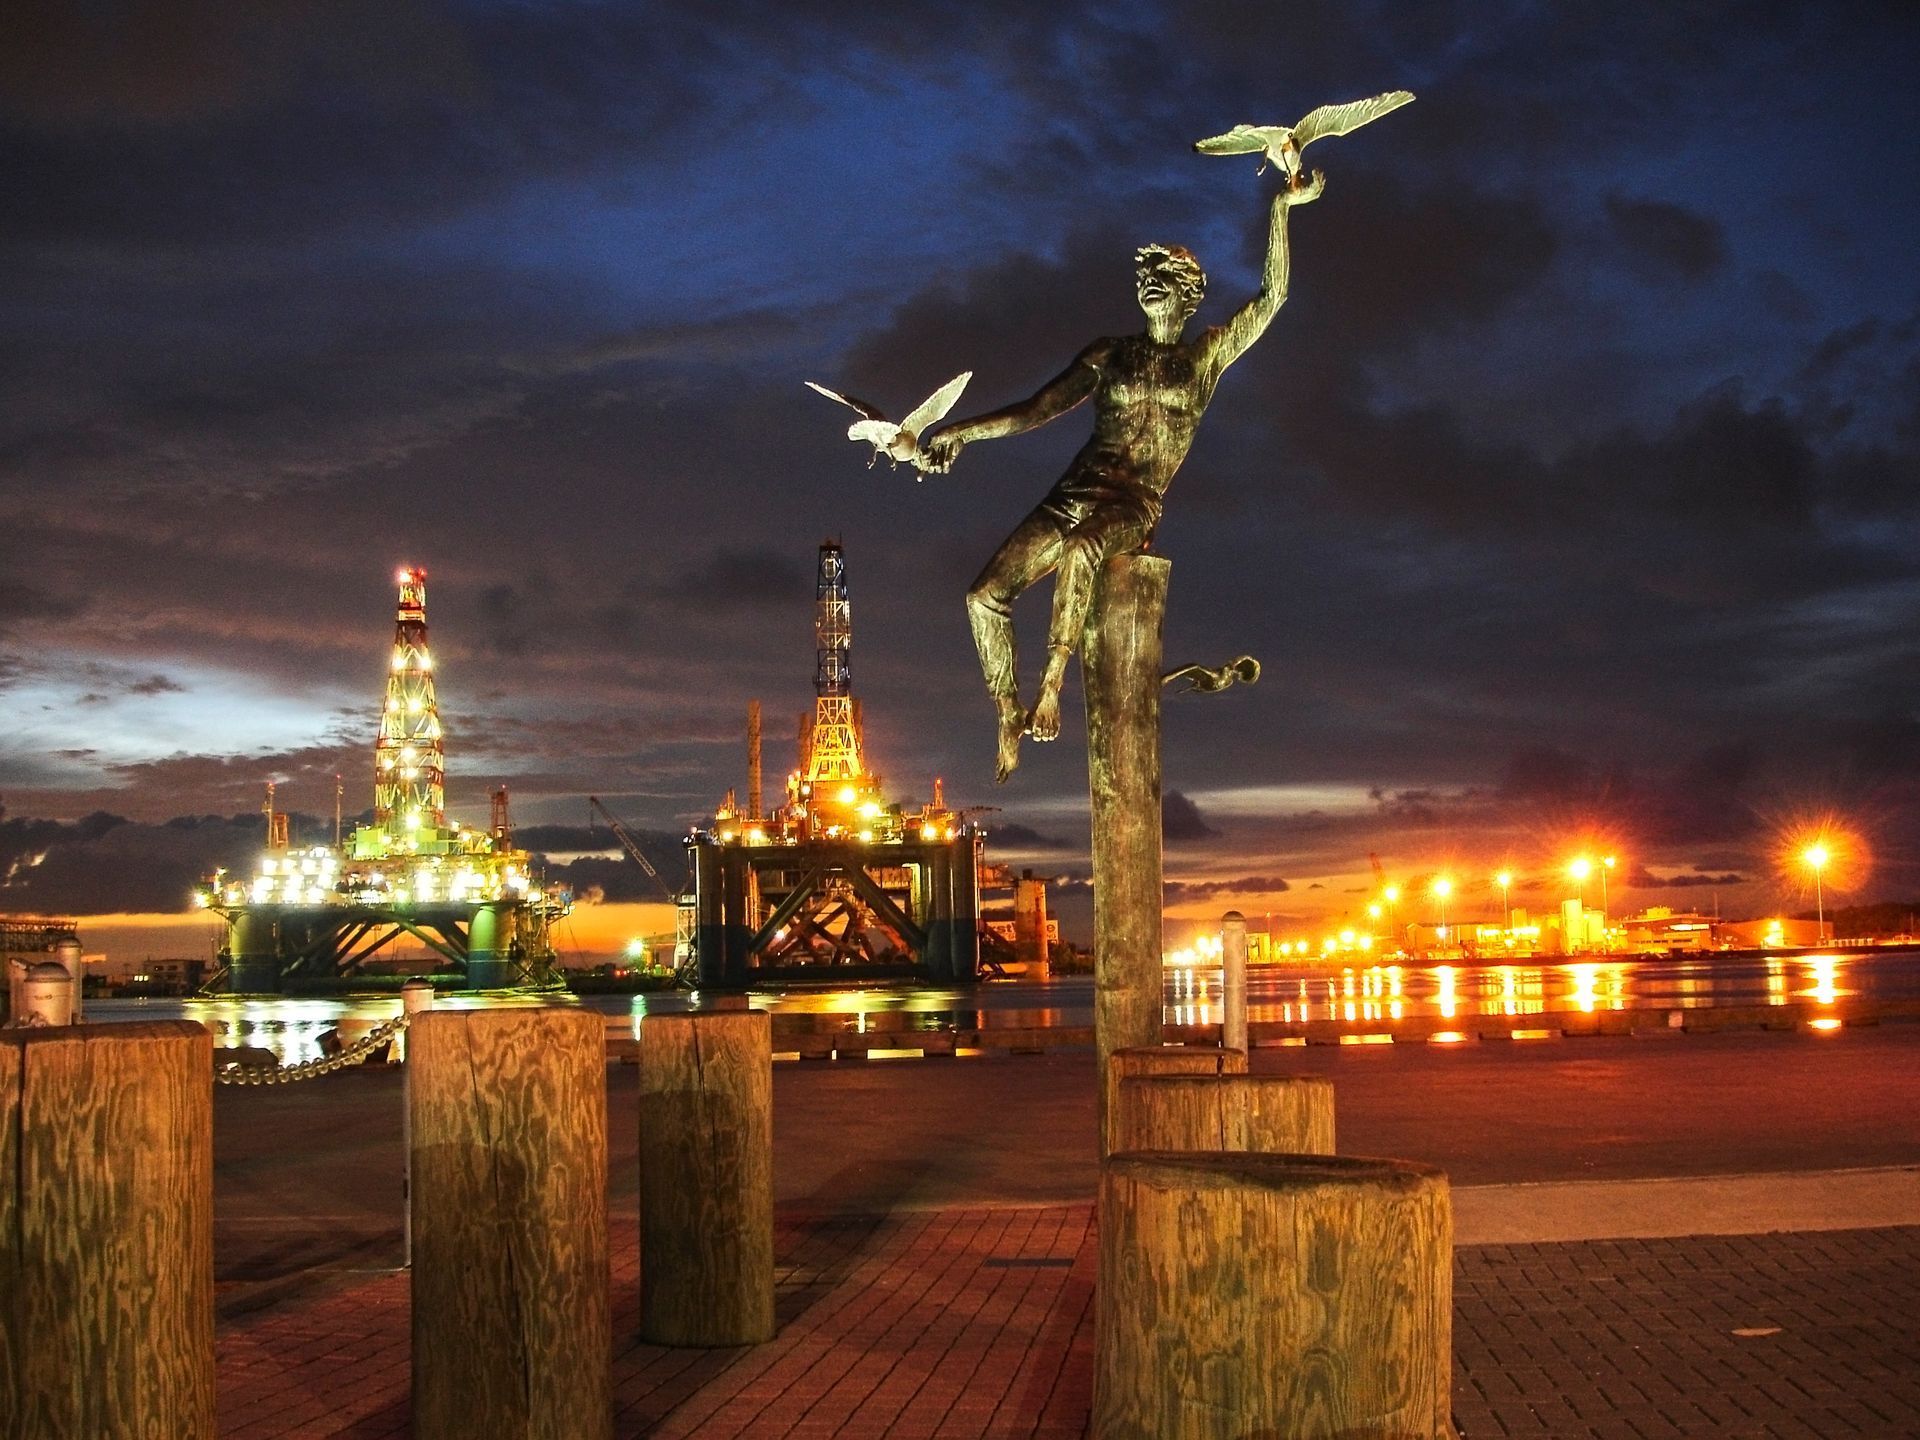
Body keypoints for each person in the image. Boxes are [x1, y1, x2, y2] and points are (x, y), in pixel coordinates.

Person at [921, 167, 1325, 781]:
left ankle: (1052, 688)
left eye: (1166, 278)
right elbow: (1036, 410)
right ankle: (1008, 709)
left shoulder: (1204, 356)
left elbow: (1272, 296)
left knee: (1085, 549)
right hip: (1075, 491)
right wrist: (958, 432)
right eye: (1148, 278)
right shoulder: (1109, 354)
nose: (1153, 285)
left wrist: (1282, 209)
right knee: (983, 596)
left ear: (1190, 295)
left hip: (1134, 504)